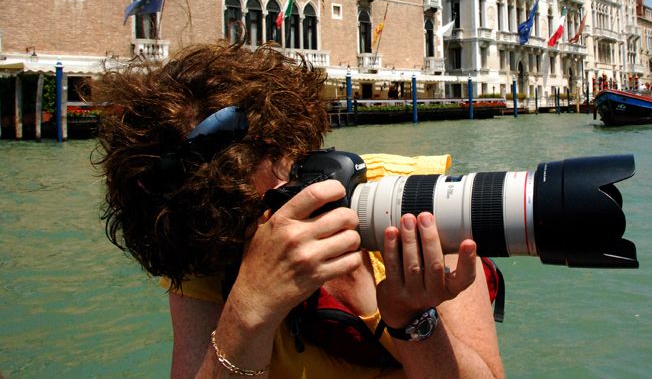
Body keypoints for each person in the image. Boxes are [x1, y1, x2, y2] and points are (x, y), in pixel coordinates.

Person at [95, 42, 503, 378]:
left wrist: (412, 320)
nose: (288, 217)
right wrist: (250, 307)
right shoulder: (203, 252)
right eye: (252, 214)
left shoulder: (411, 200)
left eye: (291, 181)